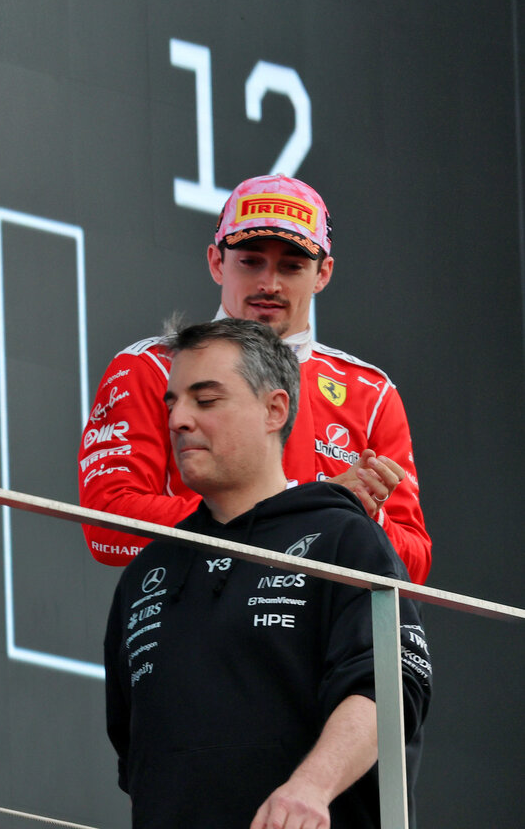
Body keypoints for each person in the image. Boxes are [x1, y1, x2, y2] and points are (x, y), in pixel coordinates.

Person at [103, 318, 432, 829]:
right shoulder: (145, 575)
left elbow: (387, 689)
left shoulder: (342, 538)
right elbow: (137, 763)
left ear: (275, 410)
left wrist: (309, 790)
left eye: (206, 400)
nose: (178, 420)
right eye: (172, 403)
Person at [79, 174, 432, 583]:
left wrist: (364, 516)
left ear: (323, 274)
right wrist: (310, 510)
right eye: (250, 261)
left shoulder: (370, 395)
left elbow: (414, 566)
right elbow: (106, 524)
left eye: (292, 266)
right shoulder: (151, 367)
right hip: (195, 623)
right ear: (216, 261)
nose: (270, 283)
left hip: (324, 636)